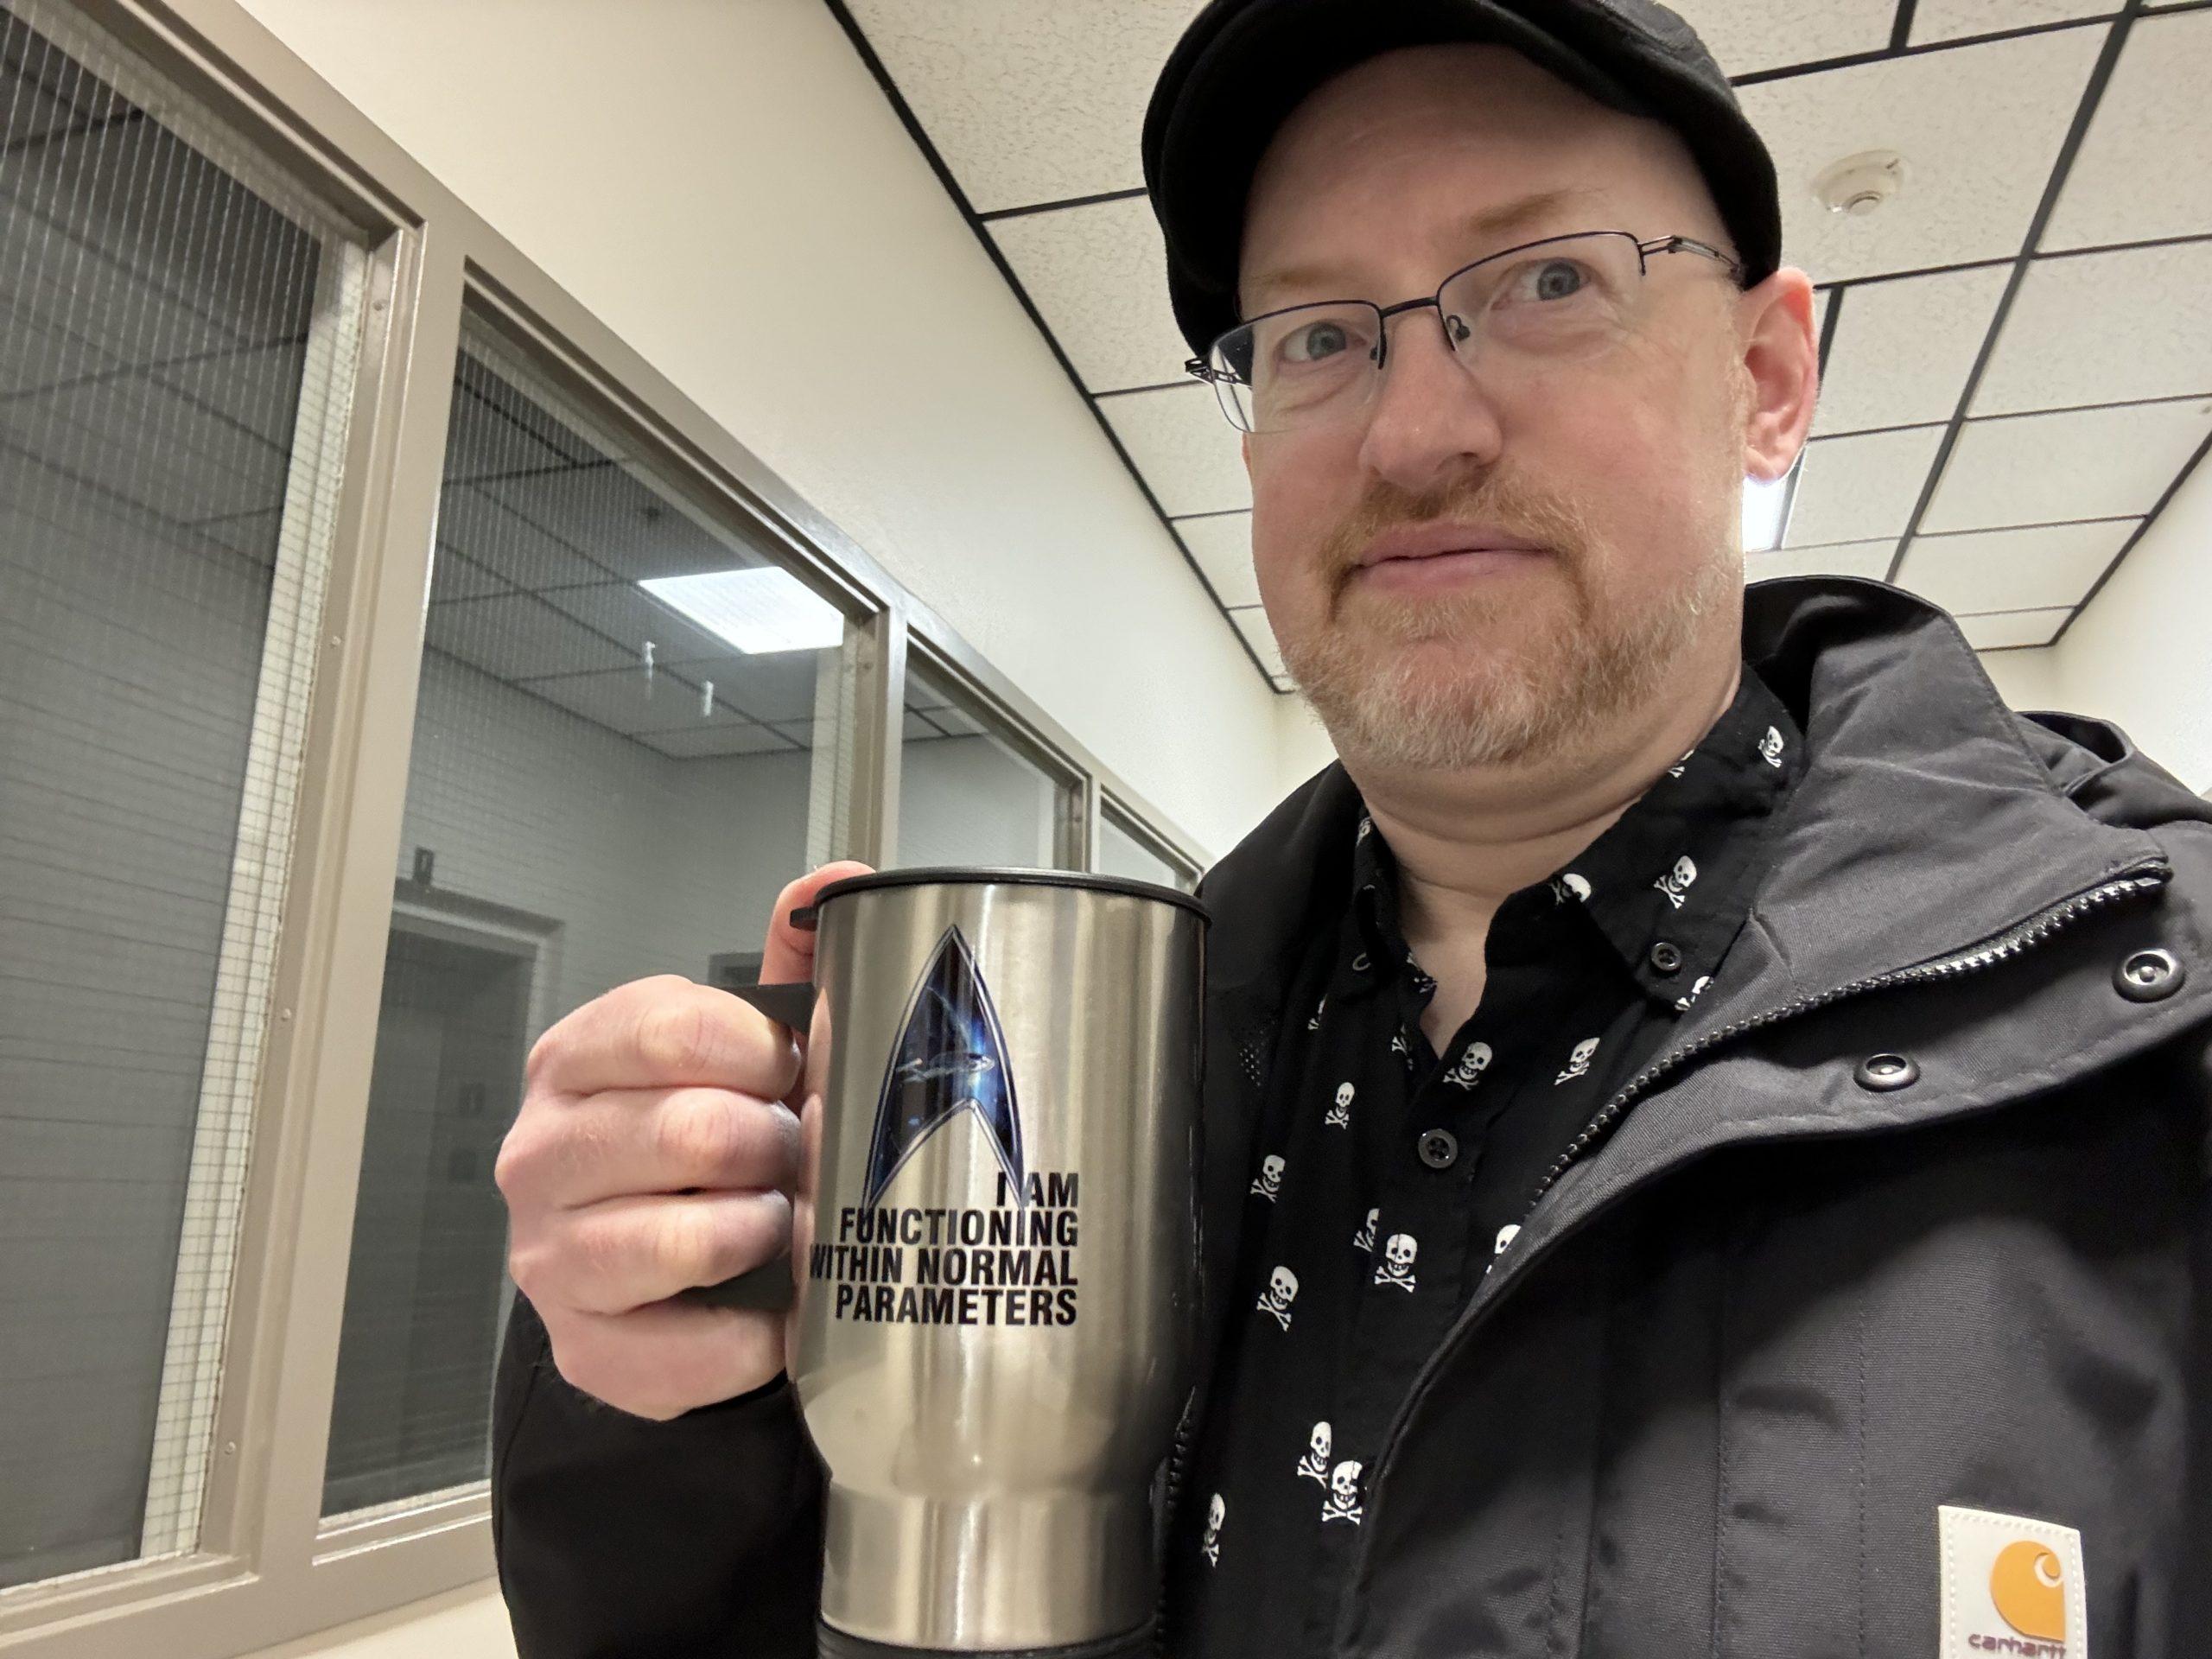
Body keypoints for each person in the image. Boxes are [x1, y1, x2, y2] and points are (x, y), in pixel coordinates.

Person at [489, 2, 2212, 1654]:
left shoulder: (2155, 1034)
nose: (1412, 430)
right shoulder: (1123, 1077)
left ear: (1764, 377)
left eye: (1545, 283)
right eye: (1316, 336)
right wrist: (670, 1396)